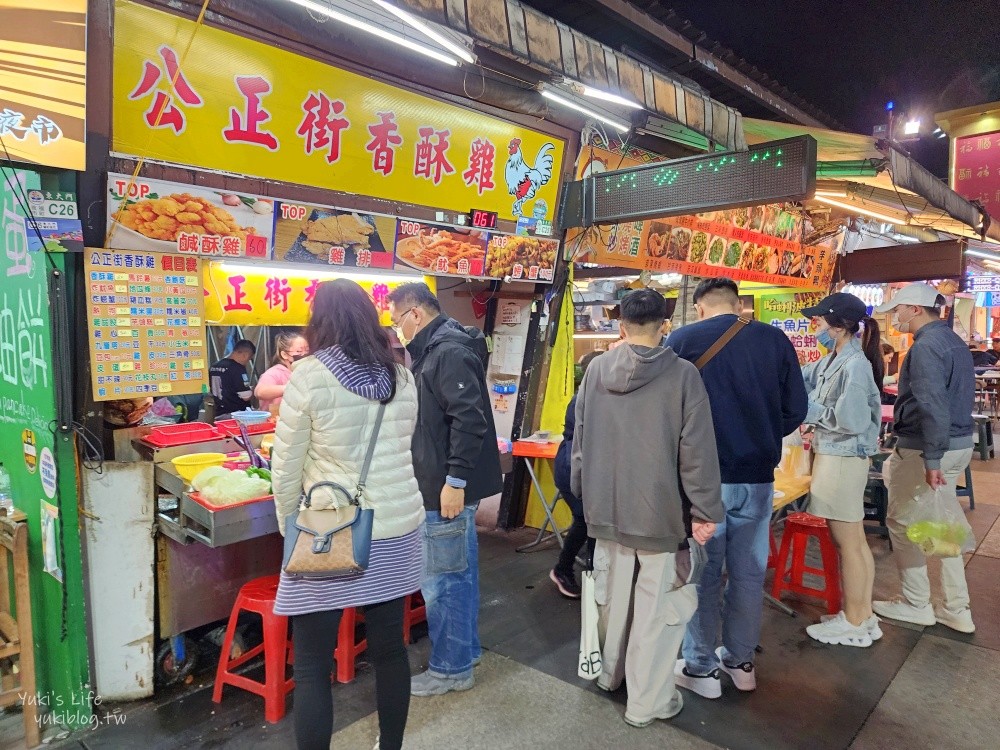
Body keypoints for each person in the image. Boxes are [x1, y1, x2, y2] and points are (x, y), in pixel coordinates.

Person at [271, 279, 425, 750]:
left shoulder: (310, 374)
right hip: (398, 528)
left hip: (331, 529)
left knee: (313, 664)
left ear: (321, 322)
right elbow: (405, 445)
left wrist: (289, 531)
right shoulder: (401, 375)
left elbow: (285, 468)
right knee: (390, 650)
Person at [571, 288, 723, 728]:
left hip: (606, 511)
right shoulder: (683, 375)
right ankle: (647, 703)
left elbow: (579, 440)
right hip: (659, 514)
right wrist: (705, 510)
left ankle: (608, 677)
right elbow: (695, 452)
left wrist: (586, 492)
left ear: (621, 326)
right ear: (665, 325)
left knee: (612, 602)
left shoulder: (597, 369)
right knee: (658, 612)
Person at [667, 277, 807, 698]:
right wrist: (763, 434)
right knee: (747, 573)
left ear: (702, 307)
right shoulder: (774, 340)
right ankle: (741, 663)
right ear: (738, 305)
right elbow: (796, 408)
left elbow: (667, 408)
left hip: (704, 481)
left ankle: (701, 666)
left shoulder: (683, 339)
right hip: (759, 478)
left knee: (704, 573)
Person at [386, 283, 502, 697]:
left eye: (397, 320)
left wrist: (454, 481)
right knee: (459, 575)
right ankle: (464, 652)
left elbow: (468, 421)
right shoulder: (441, 348)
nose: (398, 330)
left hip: (443, 488)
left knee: (443, 582)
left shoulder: (447, 352)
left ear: (415, 314)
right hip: (444, 483)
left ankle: (450, 670)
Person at [872, 283, 977, 633]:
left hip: (927, 448)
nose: (896, 317)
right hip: (957, 443)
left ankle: (916, 603)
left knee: (902, 524)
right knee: (941, 523)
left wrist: (931, 460)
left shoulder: (926, 346)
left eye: (899, 310)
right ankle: (956, 607)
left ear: (916, 309)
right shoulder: (952, 341)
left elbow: (932, 404)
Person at [798, 293, 883, 647]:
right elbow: (801, 379)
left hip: (843, 457)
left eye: (819, 320)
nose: (814, 325)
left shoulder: (854, 365)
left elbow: (852, 420)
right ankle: (861, 616)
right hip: (836, 454)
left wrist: (811, 412)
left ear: (839, 326)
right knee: (854, 541)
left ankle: (855, 620)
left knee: (848, 541)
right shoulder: (834, 359)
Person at [549, 351, 602, 598]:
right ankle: (563, 569)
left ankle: (594, 570)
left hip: (579, 466)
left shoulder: (594, 396)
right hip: (572, 468)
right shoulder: (584, 399)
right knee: (586, 519)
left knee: (592, 520)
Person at [255, 332, 309, 414]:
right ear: (284, 354)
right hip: (275, 422)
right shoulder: (274, 373)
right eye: (299, 351)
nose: (304, 354)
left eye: (307, 350)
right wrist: (289, 388)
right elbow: (260, 392)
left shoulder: (308, 371)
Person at [209, 339, 256, 419]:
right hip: (236, 415)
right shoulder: (238, 368)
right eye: (249, 359)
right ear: (245, 355)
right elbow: (246, 396)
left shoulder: (214, 366)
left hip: (219, 414)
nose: (247, 362)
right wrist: (255, 389)